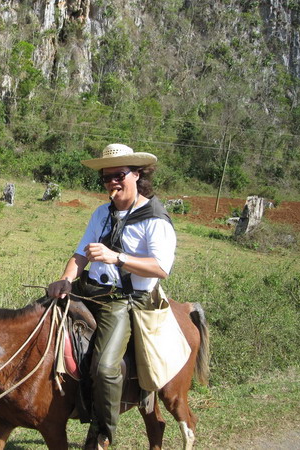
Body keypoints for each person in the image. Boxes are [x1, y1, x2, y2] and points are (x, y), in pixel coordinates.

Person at [47, 143, 176, 450]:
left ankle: (101, 433)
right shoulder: (101, 213)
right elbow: (80, 255)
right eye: (106, 178)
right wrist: (65, 281)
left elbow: (160, 268)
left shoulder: (155, 219)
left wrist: (116, 257)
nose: (112, 183)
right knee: (37, 319)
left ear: (137, 175)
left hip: (125, 299)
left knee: (105, 367)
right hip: (88, 289)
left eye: (118, 175)